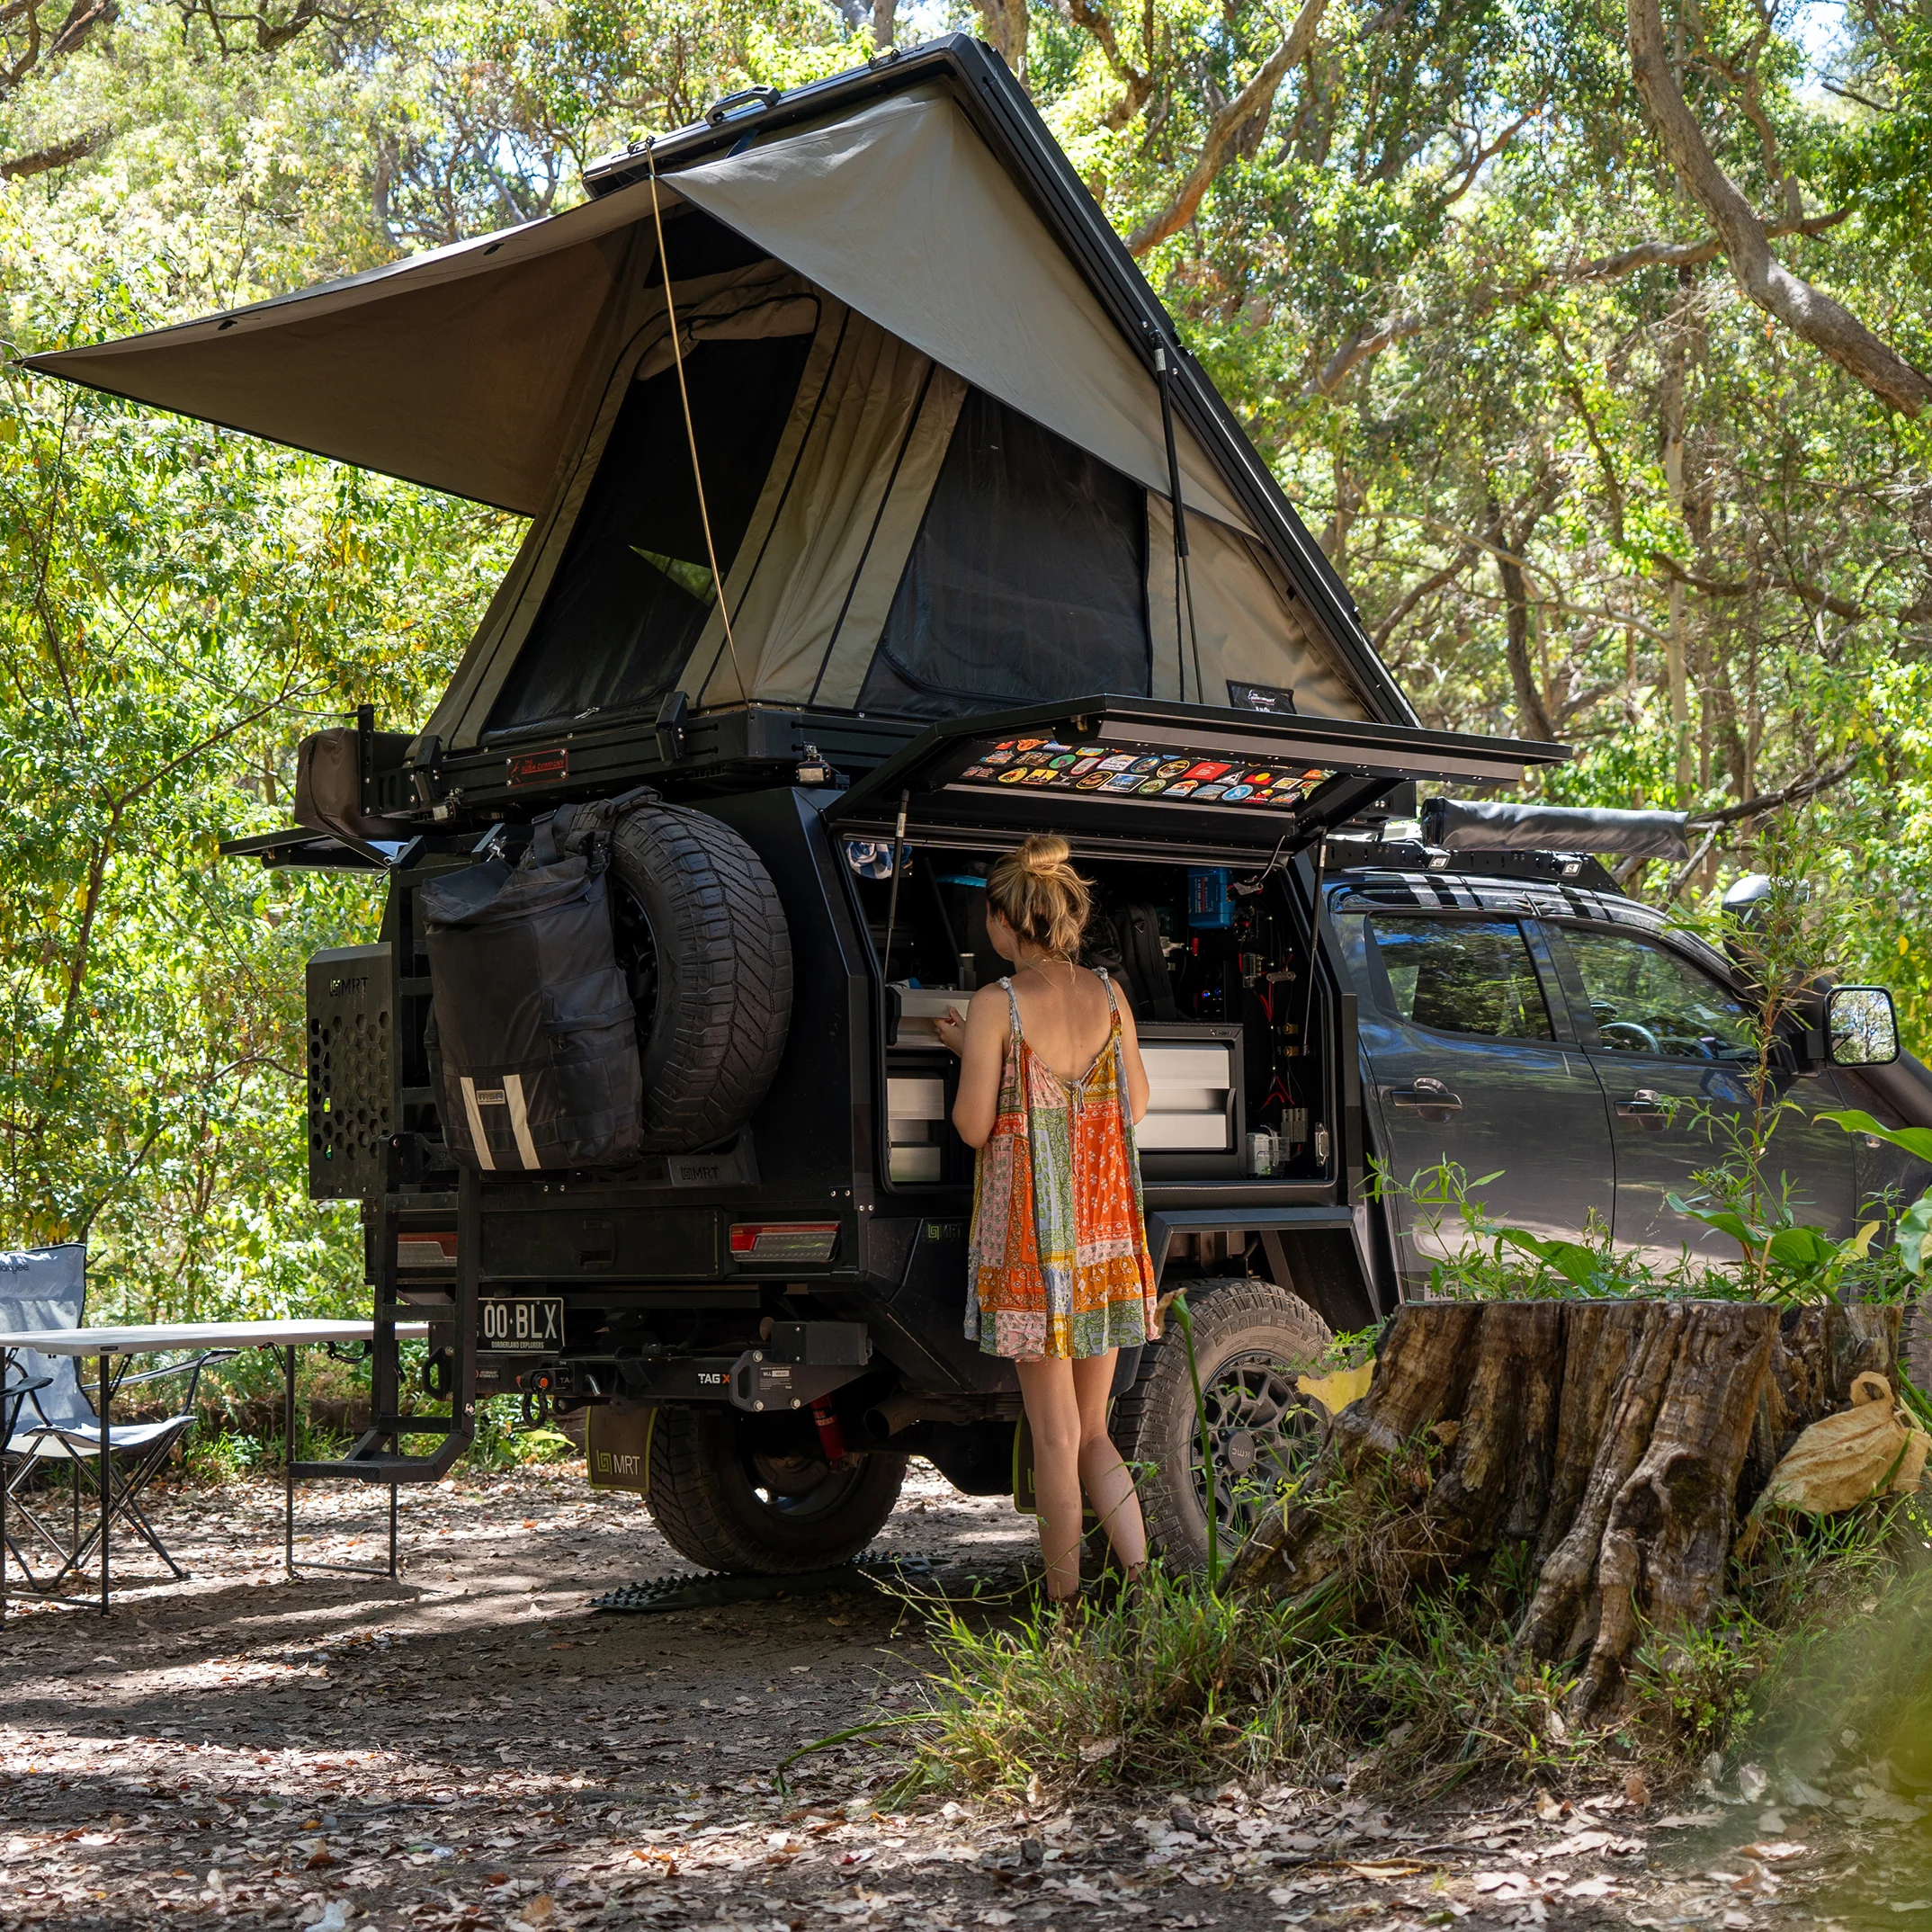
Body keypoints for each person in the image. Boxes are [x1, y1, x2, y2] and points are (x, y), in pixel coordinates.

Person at [933, 834, 1159, 1604]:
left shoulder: (995, 1003)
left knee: (1054, 1440)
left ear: (1004, 923)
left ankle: (1062, 1619)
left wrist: (974, 1054)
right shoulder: (1110, 994)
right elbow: (1134, 1103)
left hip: (1035, 1246)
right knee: (1095, 1434)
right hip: (1103, 1237)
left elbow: (973, 1126)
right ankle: (1143, 1585)